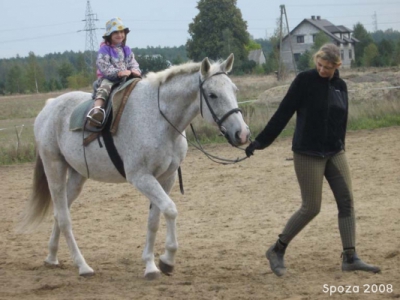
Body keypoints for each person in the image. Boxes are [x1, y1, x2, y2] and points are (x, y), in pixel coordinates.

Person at [245, 43, 380, 276]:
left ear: (337, 66)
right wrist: (261, 141)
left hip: (335, 152)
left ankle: (350, 257)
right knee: (311, 207)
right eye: (319, 65)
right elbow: (283, 113)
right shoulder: (304, 81)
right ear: (316, 61)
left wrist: (341, 145)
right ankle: (277, 250)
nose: (322, 70)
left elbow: (342, 120)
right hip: (307, 153)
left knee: (346, 202)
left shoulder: (341, 86)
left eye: (328, 67)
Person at [87, 17, 141, 127]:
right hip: (109, 78)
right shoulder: (105, 49)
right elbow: (103, 65)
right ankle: (97, 111)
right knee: (104, 88)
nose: (119, 35)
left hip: (126, 77)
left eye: (122, 32)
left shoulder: (126, 49)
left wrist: (135, 70)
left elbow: (132, 62)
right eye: (115, 32)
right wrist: (118, 73)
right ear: (109, 35)